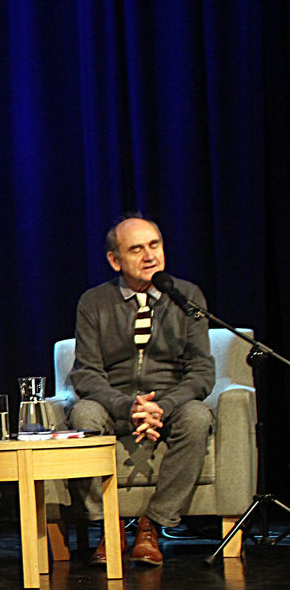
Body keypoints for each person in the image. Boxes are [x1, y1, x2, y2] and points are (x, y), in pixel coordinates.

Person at [69, 213, 215, 566]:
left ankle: (153, 523)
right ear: (115, 260)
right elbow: (86, 374)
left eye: (155, 245)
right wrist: (128, 406)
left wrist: (161, 406)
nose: (150, 256)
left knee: (197, 416)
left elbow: (201, 372)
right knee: (82, 414)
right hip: (115, 405)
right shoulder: (94, 302)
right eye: (137, 249)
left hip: (170, 405)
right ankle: (110, 524)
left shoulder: (187, 296)